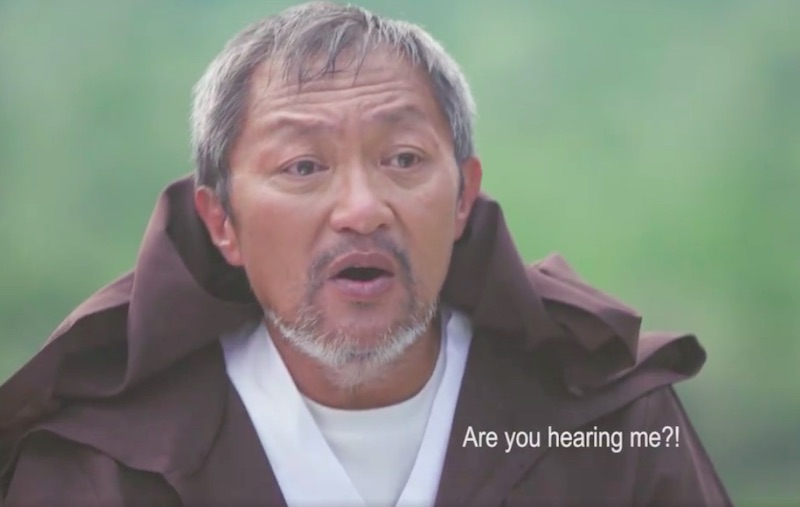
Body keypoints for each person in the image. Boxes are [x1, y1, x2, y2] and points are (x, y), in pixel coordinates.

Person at [0, 2, 732, 506]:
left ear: (463, 198)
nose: (361, 209)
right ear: (221, 222)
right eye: (303, 167)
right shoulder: (103, 464)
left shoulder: (610, 425)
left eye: (404, 159)